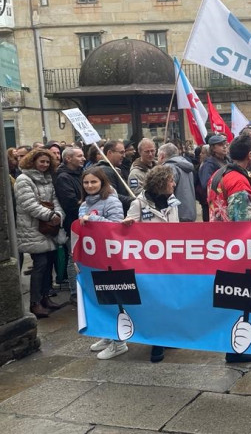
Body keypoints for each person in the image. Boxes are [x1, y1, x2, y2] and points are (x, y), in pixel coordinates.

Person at [205, 134, 251, 364]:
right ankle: (237, 349)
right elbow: (242, 223)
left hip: (218, 243)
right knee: (239, 297)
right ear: (249, 156)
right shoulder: (237, 181)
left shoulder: (217, 175)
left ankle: (233, 345)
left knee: (228, 298)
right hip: (235, 250)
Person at [124, 165, 180, 362]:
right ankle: (157, 342)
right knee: (156, 300)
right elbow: (127, 228)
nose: (174, 183)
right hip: (150, 263)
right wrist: (127, 224)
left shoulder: (173, 202)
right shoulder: (139, 203)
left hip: (171, 261)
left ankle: (169, 334)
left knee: (170, 298)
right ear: (162, 183)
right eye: (171, 180)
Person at [79, 167, 127, 359]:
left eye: (93, 182)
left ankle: (119, 341)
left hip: (110, 258)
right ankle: (108, 334)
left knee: (113, 298)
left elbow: (116, 225)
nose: (90, 186)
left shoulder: (111, 201)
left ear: (102, 182)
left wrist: (93, 219)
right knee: (100, 298)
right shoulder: (83, 204)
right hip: (94, 258)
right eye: (86, 182)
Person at [15, 148, 64, 318]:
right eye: (41, 161)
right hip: (32, 227)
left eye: (47, 162)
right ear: (32, 161)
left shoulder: (47, 178)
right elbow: (28, 204)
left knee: (49, 262)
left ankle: (45, 297)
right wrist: (50, 215)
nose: (44, 164)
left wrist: (58, 214)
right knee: (40, 264)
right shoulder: (23, 179)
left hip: (48, 227)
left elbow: (54, 199)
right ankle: (34, 303)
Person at [53, 146, 86, 300]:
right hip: (72, 224)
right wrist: (85, 204)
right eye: (79, 156)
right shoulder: (63, 178)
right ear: (68, 159)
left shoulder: (81, 174)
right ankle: (74, 293)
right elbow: (71, 203)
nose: (83, 159)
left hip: (82, 222)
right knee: (74, 257)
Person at [158, 142, 197, 222]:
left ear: (162, 156)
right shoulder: (186, 166)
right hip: (189, 213)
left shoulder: (169, 167)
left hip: (176, 214)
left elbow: (165, 191)